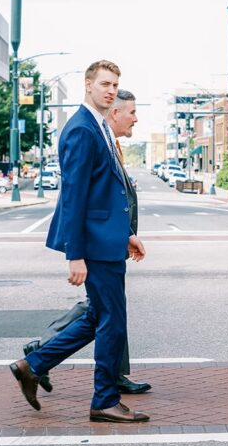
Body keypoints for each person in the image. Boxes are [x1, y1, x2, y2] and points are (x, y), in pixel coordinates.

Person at [9, 60, 149, 423]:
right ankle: (103, 400)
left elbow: (105, 190)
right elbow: (74, 196)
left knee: (97, 319)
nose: (110, 90)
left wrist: (126, 235)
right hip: (94, 246)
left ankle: (33, 364)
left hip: (108, 240)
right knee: (112, 322)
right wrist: (76, 255)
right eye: (104, 83)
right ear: (88, 86)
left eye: (115, 85)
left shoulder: (98, 126)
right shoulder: (81, 129)